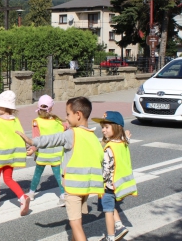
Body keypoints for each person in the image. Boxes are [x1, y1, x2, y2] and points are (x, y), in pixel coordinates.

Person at [17, 96, 104, 241]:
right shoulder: (92, 136)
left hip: (73, 188)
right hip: (87, 188)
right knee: (78, 221)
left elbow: (53, 139)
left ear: (78, 115)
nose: (66, 117)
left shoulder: (72, 133)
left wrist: (33, 141)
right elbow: (100, 157)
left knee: (75, 224)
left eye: (68, 114)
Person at [92, 111, 137, 241]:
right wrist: (127, 136)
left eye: (106, 127)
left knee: (108, 211)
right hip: (117, 184)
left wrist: (97, 181)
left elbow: (105, 170)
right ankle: (119, 226)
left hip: (108, 185)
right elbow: (125, 140)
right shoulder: (122, 143)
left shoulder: (109, 148)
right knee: (111, 206)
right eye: (102, 128)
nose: (103, 131)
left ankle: (111, 237)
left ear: (116, 127)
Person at [26, 95, 68, 206]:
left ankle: (31, 193)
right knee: (59, 176)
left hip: (43, 154)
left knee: (37, 174)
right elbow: (67, 130)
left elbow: (36, 139)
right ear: (51, 108)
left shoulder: (37, 121)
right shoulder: (58, 121)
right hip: (57, 154)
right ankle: (63, 195)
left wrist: (32, 150)